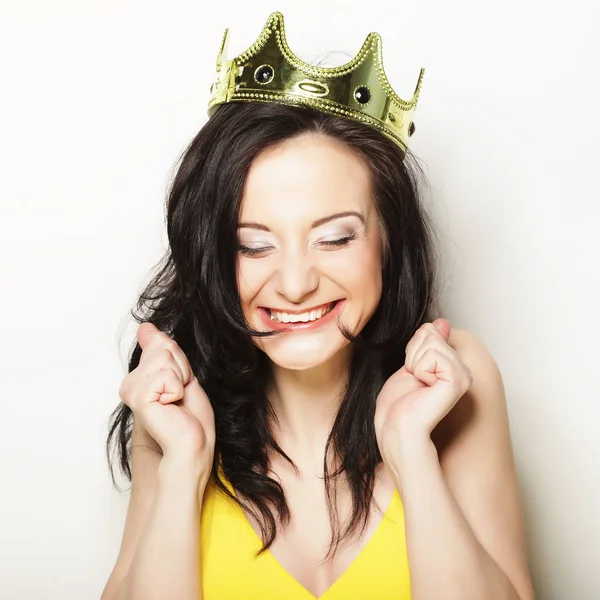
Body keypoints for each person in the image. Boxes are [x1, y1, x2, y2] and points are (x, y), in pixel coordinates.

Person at [100, 11, 535, 600]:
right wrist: (182, 465)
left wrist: (412, 452)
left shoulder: (459, 381)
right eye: (253, 245)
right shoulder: (173, 405)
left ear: (389, 240)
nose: (297, 283)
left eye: (334, 238)